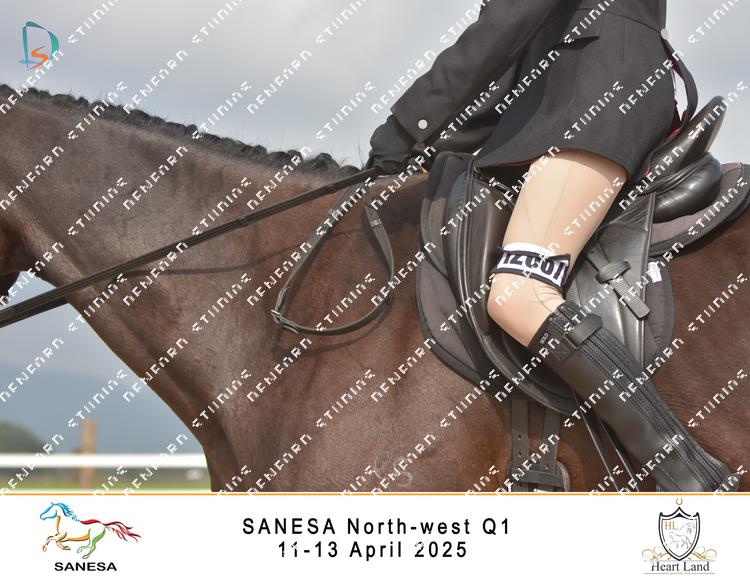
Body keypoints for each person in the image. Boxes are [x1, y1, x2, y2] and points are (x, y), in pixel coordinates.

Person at [366, 0, 736, 491]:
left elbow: (512, 18)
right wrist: (435, 140)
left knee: (519, 294)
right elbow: (522, 51)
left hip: (595, 93)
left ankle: (694, 478)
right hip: (570, 96)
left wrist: (409, 125)